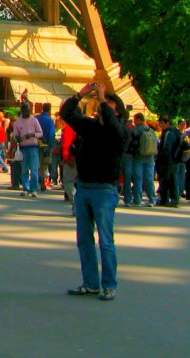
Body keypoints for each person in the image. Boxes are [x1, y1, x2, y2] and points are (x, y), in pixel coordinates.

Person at [59, 82, 129, 301]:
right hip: (85, 187)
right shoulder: (90, 128)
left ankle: (109, 285)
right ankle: (90, 283)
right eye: (100, 105)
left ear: (116, 111)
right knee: (84, 240)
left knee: (105, 241)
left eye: (107, 105)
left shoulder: (119, 132)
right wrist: (81, 94)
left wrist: (101, 99)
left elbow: (114, 127)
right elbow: (67, 113)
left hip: (105, 189)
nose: (100, 107)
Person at [12, 103, 43, 196]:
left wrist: (33, 135)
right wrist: (18, 138)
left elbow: (40, 133)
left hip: (33, 146)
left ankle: (33, 188)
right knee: (24, 169)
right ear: (22, 111)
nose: (27, 112)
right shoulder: (18, 122)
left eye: (28, 110)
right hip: (24, 148)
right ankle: (26, 188)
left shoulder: (34, 120)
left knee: (34, 169)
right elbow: (15, 135)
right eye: (25, 110)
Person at [126, 112, 157, 206]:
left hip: (139, 156)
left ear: (139, 119)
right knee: (149, 179)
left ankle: (137, 200)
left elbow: (130, 141)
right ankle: (152, 199)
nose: (134, 122)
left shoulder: (136, 130)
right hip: (150, 157)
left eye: (135, 120)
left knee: (138, 179)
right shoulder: (150, 130)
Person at [35, 103, 56, 190]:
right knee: (45, 163)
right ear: (50, 110)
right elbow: (51, 133)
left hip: (37, 142)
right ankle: (42, 178)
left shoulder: (36, 118)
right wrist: (50, 145)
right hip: (46, 143)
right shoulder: (50, 120)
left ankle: (38, 179)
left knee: (37, 162)